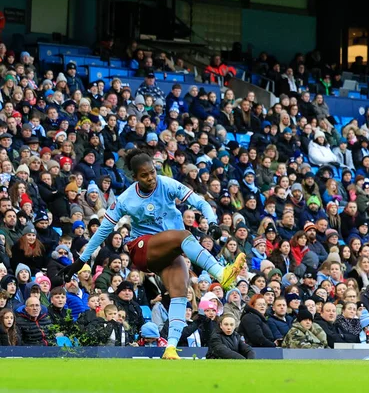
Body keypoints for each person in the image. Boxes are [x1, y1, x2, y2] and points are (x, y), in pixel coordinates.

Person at [60, 149, 246, 359]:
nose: (150, 178)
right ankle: (221, 274)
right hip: (142, 250)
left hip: (168, 250)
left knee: (179, 293)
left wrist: (211, 221)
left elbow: (201, 202)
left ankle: (170, 348)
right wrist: (82, 260)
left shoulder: (167, 184)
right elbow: (104, 230)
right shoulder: (126, 199)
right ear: (135, 177)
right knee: (183, 235)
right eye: (144, 175)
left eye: (152, 172)